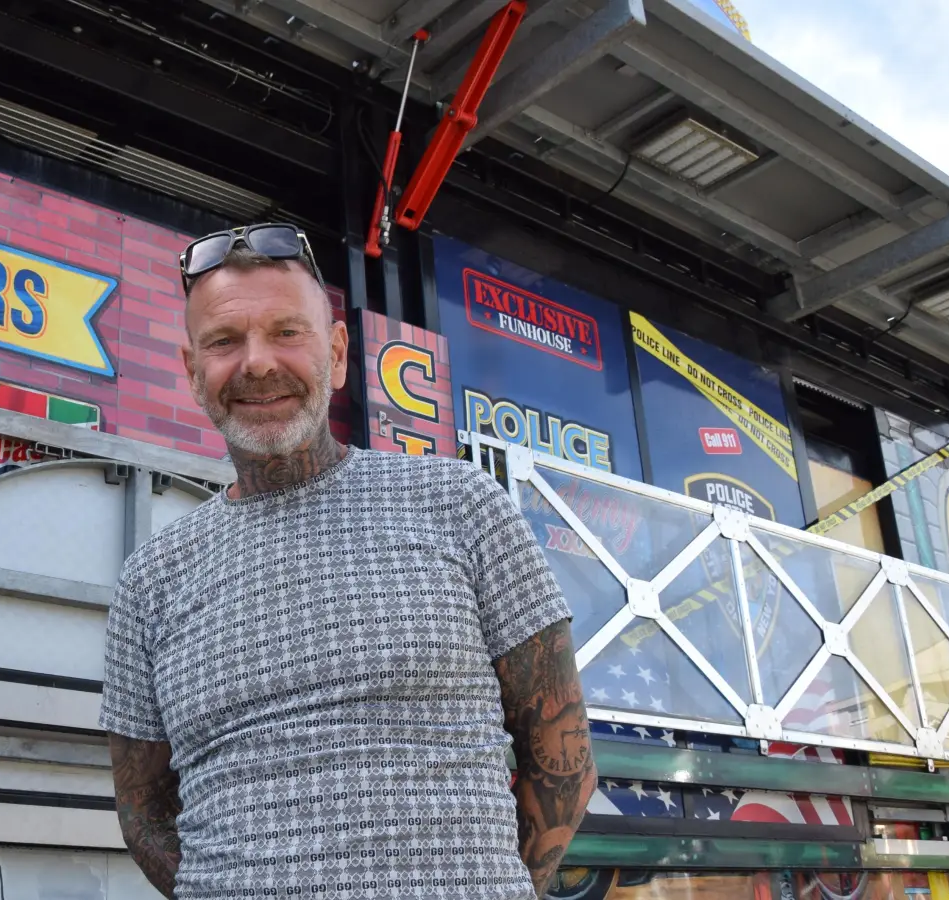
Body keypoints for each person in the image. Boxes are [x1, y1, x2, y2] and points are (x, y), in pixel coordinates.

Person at [99, 223, 595, 899]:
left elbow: (562, 760)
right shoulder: (150, 581)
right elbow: (143, 814)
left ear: (336, 352)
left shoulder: (461, 505)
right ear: (192, 372)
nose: (257, 363)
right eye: (224, 342)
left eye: (285, 332)